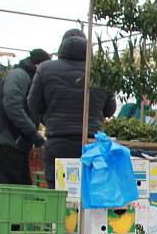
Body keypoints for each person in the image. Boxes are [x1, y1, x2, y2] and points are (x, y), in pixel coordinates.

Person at [28, 29, 117, 188]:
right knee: (90, 192)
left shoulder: (45, 69)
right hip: (91, 142)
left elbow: (33, 105)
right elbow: (110, 110)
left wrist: (49, 117)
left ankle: (61, 213)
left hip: (58, 141)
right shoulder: (101, 71)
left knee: (58, 191)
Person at [0, 48, 51, 184]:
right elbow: (12, 107)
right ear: (38, 65)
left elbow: (35, 110)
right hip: (6, 140)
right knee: (13, 187)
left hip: (15, 142)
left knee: (22, 185)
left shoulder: (29, 78)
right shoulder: (19, 76)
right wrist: (32, 133)